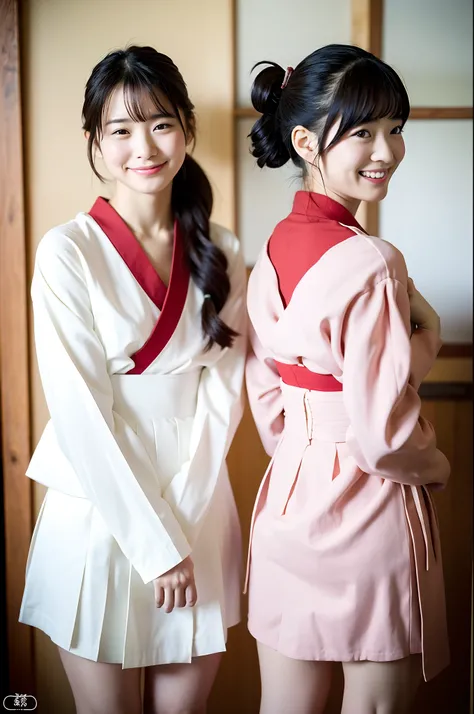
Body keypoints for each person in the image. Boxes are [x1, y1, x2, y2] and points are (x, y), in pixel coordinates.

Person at [19, 45, 246, 714]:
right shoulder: (67, 251)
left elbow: (224, 395)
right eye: (120, 129)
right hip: (100, 508)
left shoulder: (224, 249)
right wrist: (155, 543)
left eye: (159, 124)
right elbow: (79, 409)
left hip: (198, 499)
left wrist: (182, 523)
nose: (142, 145)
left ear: (187, 130)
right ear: (96, 141)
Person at [244, 44, 450, 714]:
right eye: (363, 131)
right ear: (305, 141)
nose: (386, 149)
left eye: (395, 128)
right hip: (367, 506)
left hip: (290, 498)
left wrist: (304, 449)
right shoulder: (371, 259)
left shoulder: (271, 247)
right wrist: (436, 464)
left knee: (286, 705)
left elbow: (268, 386)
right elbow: (384, 432)